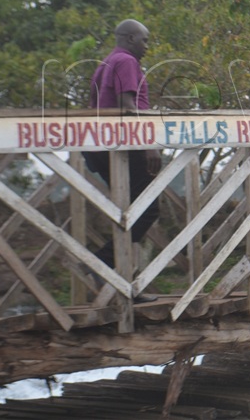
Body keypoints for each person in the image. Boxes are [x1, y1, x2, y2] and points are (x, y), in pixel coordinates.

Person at [82, 19, 162, 302]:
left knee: (131, 214)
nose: (147, 47)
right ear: (129, 38)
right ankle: (102, 263)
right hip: (123, 148)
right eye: (144, 40)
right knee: (147, 210)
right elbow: (129, 109)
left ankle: (120, 283)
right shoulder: (126, 61)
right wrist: (150, 145)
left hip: (103, 148)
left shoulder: (106, 62)